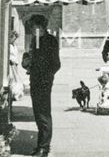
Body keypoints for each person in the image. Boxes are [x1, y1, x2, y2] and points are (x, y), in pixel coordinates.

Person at [22, 14, 60, 157]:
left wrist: (46, 78)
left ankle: (44, 148)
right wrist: (28, 63)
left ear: (40, 27)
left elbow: (56, 64)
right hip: (35, 81)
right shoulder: (36, 40)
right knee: (38, 115)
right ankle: (40, 145)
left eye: (32, 27)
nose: (31, 30)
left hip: (43, 83)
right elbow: (35, 59)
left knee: (43, 116)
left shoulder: (50, 41)